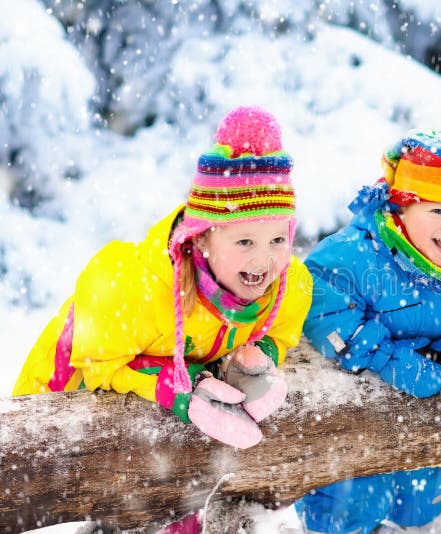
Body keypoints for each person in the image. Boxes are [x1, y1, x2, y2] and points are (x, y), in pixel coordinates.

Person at [13, 106, 313, 450]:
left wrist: (256, 354)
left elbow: (283, 328)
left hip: (153, 456)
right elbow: (97, 364)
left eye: (277, 240)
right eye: (244, 241)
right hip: (51, 414)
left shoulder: (289, 285)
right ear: (201, 237)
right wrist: (174, 385)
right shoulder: (133, 289)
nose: (264, 260)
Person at [295, 128, 441, 533]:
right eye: (437, 211)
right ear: (401, 209)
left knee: (420, 506)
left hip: (429, 421)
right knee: (351, 506)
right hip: (356, 421)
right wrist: (387, 356)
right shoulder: (357, 254)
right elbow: (322, 303)